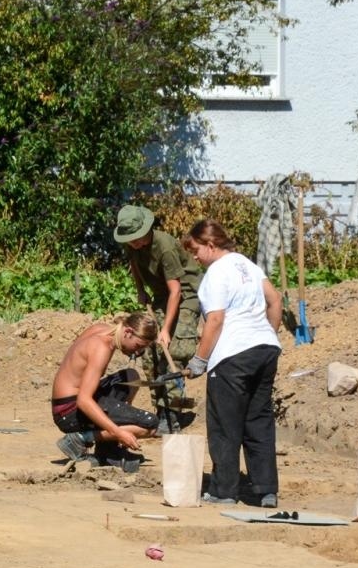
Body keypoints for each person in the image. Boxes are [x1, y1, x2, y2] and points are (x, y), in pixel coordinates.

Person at [181, 218, 283, 507]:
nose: (195, 257)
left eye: (196, 250)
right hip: (265, 350)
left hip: (232, 357)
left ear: (211, 245)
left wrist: (200, 360)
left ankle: (224, 491)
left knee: (225, 424)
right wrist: (264, 334)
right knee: (259, 421)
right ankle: (265, 490)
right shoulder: (248, 265)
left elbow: (215, 319)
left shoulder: (215, 273)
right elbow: (275, 301)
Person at [49, 311, 160, 470]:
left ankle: (108, 448)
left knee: (130, 376)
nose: (137, 353)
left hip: (64, 403)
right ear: (128, 332)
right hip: (70, 411)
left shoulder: (101, 329)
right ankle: (79, 438)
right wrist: (118, 432)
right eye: (138, 346)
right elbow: (84, 400)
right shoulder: (101, 348)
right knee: (150, 424)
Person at [113, 204, 204, 367]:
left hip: (186, 295)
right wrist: (140, 290)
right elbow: (134, 263)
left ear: (145, 231)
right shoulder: (133, 244)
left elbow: (176, 291)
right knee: (150, 348)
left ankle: (174, 391)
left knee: (175, 350)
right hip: (163, 295)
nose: (131, 243)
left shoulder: (164, 248)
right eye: (129, 240)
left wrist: (166, 329)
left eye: (134, 238)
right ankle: (158, 391)